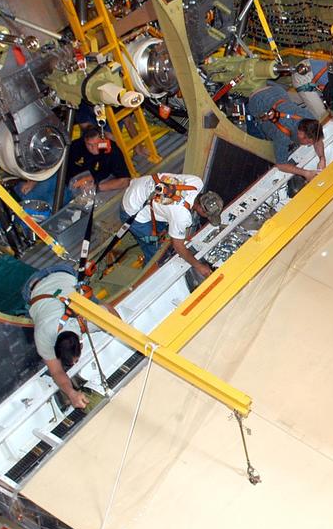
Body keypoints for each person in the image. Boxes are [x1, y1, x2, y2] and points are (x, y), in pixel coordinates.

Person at [23, 263, 100, 409]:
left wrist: (72, 394)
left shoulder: (86, 322)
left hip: (61, 274)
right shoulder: (42, 335)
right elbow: (56, 371)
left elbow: (57, 371)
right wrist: (71, 393)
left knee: (93, 303)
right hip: (34, 286)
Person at [119, 173, 214, 279]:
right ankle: (146, 278)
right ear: (201, 209)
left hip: (140, 186)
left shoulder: (196, 181)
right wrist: (199, 266)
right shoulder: (182, 216)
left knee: (165, 232)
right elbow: (178, 247)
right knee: (157, 253)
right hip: (132, 210)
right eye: (208, 215)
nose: (208, 218)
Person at [244, 81, 327, 180]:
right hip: (255, 99)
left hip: (275, 90)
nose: (310, 145)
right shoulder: (283, 135)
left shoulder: (310, 119)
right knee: (258, 140)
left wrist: (322, 158)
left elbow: (317, 140)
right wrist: (306, 173)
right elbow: (281, 165)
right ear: (301, 134)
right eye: (308, 142)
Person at [65, 123, 132, 195]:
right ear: (84, 141)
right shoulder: (77, 146)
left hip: (100, 182)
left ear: (103, 140)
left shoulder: (111, 151)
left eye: (97, 144)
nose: (94, 148)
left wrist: (96, 187)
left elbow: (125, 181)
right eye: (89, 144)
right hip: (74, 181)